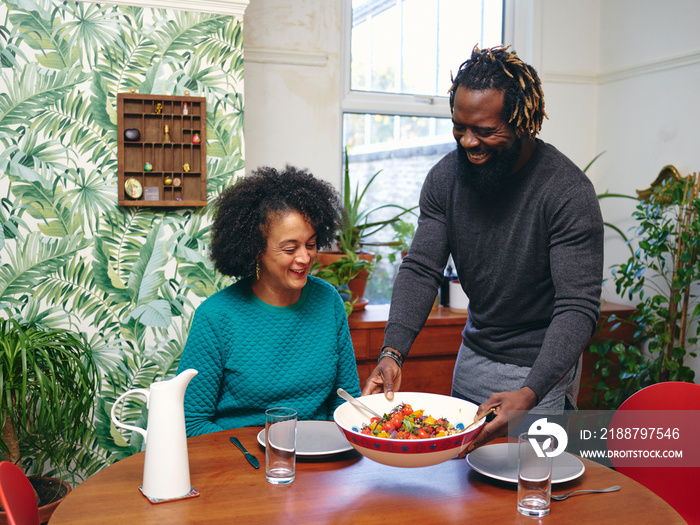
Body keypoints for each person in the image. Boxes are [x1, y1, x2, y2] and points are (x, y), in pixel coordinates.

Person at [361, 45, 604, 450]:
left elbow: (577, 306)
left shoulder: (566, 192)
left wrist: (530, 394)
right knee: (461, 486)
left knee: (524, 495)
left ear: (524, 123)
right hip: (473, 356)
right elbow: (422, 268)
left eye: (486, 131)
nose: (469, 142)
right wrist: (393, 353)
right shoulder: (445, 179)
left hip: (539, 368)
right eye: (460, 127)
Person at [178, 165, 361, 436]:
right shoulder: (216, 317)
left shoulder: (328, 301)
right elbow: (191, 422)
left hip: (318, 458)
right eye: (289, 248)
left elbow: (345, 402)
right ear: (256, 250)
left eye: (310, 245)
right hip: (242, 462)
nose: (304, 258)